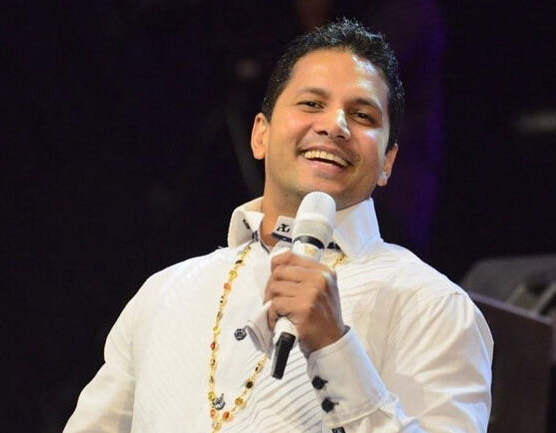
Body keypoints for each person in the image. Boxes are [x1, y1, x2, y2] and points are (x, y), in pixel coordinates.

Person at [64, 18, 492, 433]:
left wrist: (334, 347)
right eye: (312, 104)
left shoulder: (433, 305)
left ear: (388, 163)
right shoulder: (164, 292)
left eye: (363, 115)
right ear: (260, 135)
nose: (335, 125)